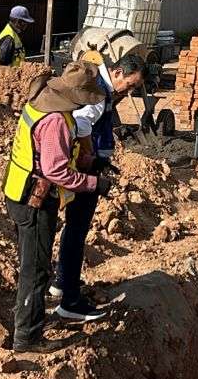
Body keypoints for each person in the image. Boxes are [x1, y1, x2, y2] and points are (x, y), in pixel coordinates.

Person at [1, 62, 110, 353]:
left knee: (31, 264)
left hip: (19, 190)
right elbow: (55, 171)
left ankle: (28, 320)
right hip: (33, 200)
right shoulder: (56, 121)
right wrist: (92, 183)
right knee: (35, 269)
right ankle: (27, 337)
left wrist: (89, 162)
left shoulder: (42, 105)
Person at [55, 53, 146, 321]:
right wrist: (89, 156)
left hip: (90, 165)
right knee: (77, 227)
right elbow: (82, 123)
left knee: (76, 228)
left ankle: (63, 282)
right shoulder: (98, 94)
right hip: (85, 169)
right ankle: (68, 296)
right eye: (129, 85)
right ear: (117, 72)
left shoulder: (102, 91)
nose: (128, 91)